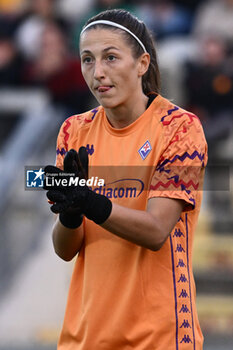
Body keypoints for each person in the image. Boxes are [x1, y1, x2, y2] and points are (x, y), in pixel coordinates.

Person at [44, 9, 208, 350]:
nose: (98, 72)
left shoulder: (180, 128)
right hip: (84, 339)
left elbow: (155, 231)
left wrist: (89, 201)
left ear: (142, 63)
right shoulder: (73, 131)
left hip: (159, 340)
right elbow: (65, 249)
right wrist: (71, 214)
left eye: (111, 57)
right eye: (87, 60)